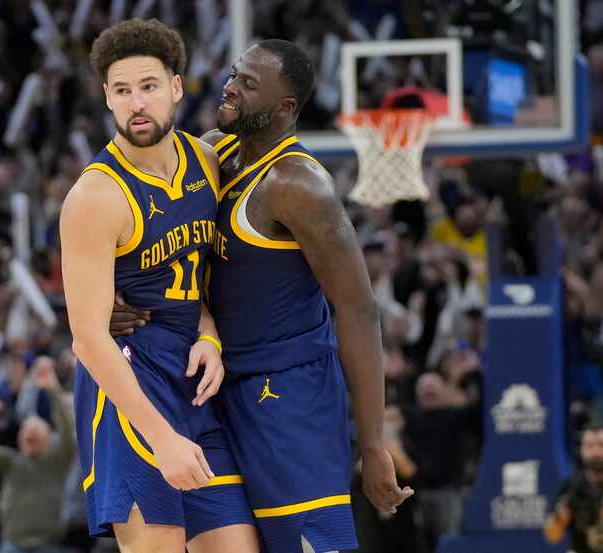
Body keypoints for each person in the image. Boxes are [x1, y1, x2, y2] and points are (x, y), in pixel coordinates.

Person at [112, 39, 413, 553]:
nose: (229, 87)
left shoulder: (298, 185)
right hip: (214, 387)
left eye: (248, 84)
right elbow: (134, 222)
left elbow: (359, 311)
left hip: (288, 398)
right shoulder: (211, 150)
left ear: (284, 108)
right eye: (234, 74)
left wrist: (373, 443)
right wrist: (115, 294)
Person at [60, 18, 258, 553]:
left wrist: (210, 332)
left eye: (148, 86)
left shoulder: (208, 161)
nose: (136, 103)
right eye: (122, 91)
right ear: (107, 98)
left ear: (176, 87)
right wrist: (162, 437)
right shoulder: (93, 198)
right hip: (129, 379)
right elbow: (87, 339)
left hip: (190, 375)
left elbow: (204, 272)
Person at [0, 357, 76, 553]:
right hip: (13, 542)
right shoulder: (11, 462)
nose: (29, 435)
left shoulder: (58, 459)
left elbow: (67, 431)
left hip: (49, 543)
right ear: (19, 439)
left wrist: (53, 390)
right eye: (26, 433)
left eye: (35, 433)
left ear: (48, 439)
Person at [544, 424, 603, 553]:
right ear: (581, 449)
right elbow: (552, 536)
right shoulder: (570, 486)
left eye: (601, 445)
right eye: (589, 446)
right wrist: (561, 518)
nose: (596, 452)